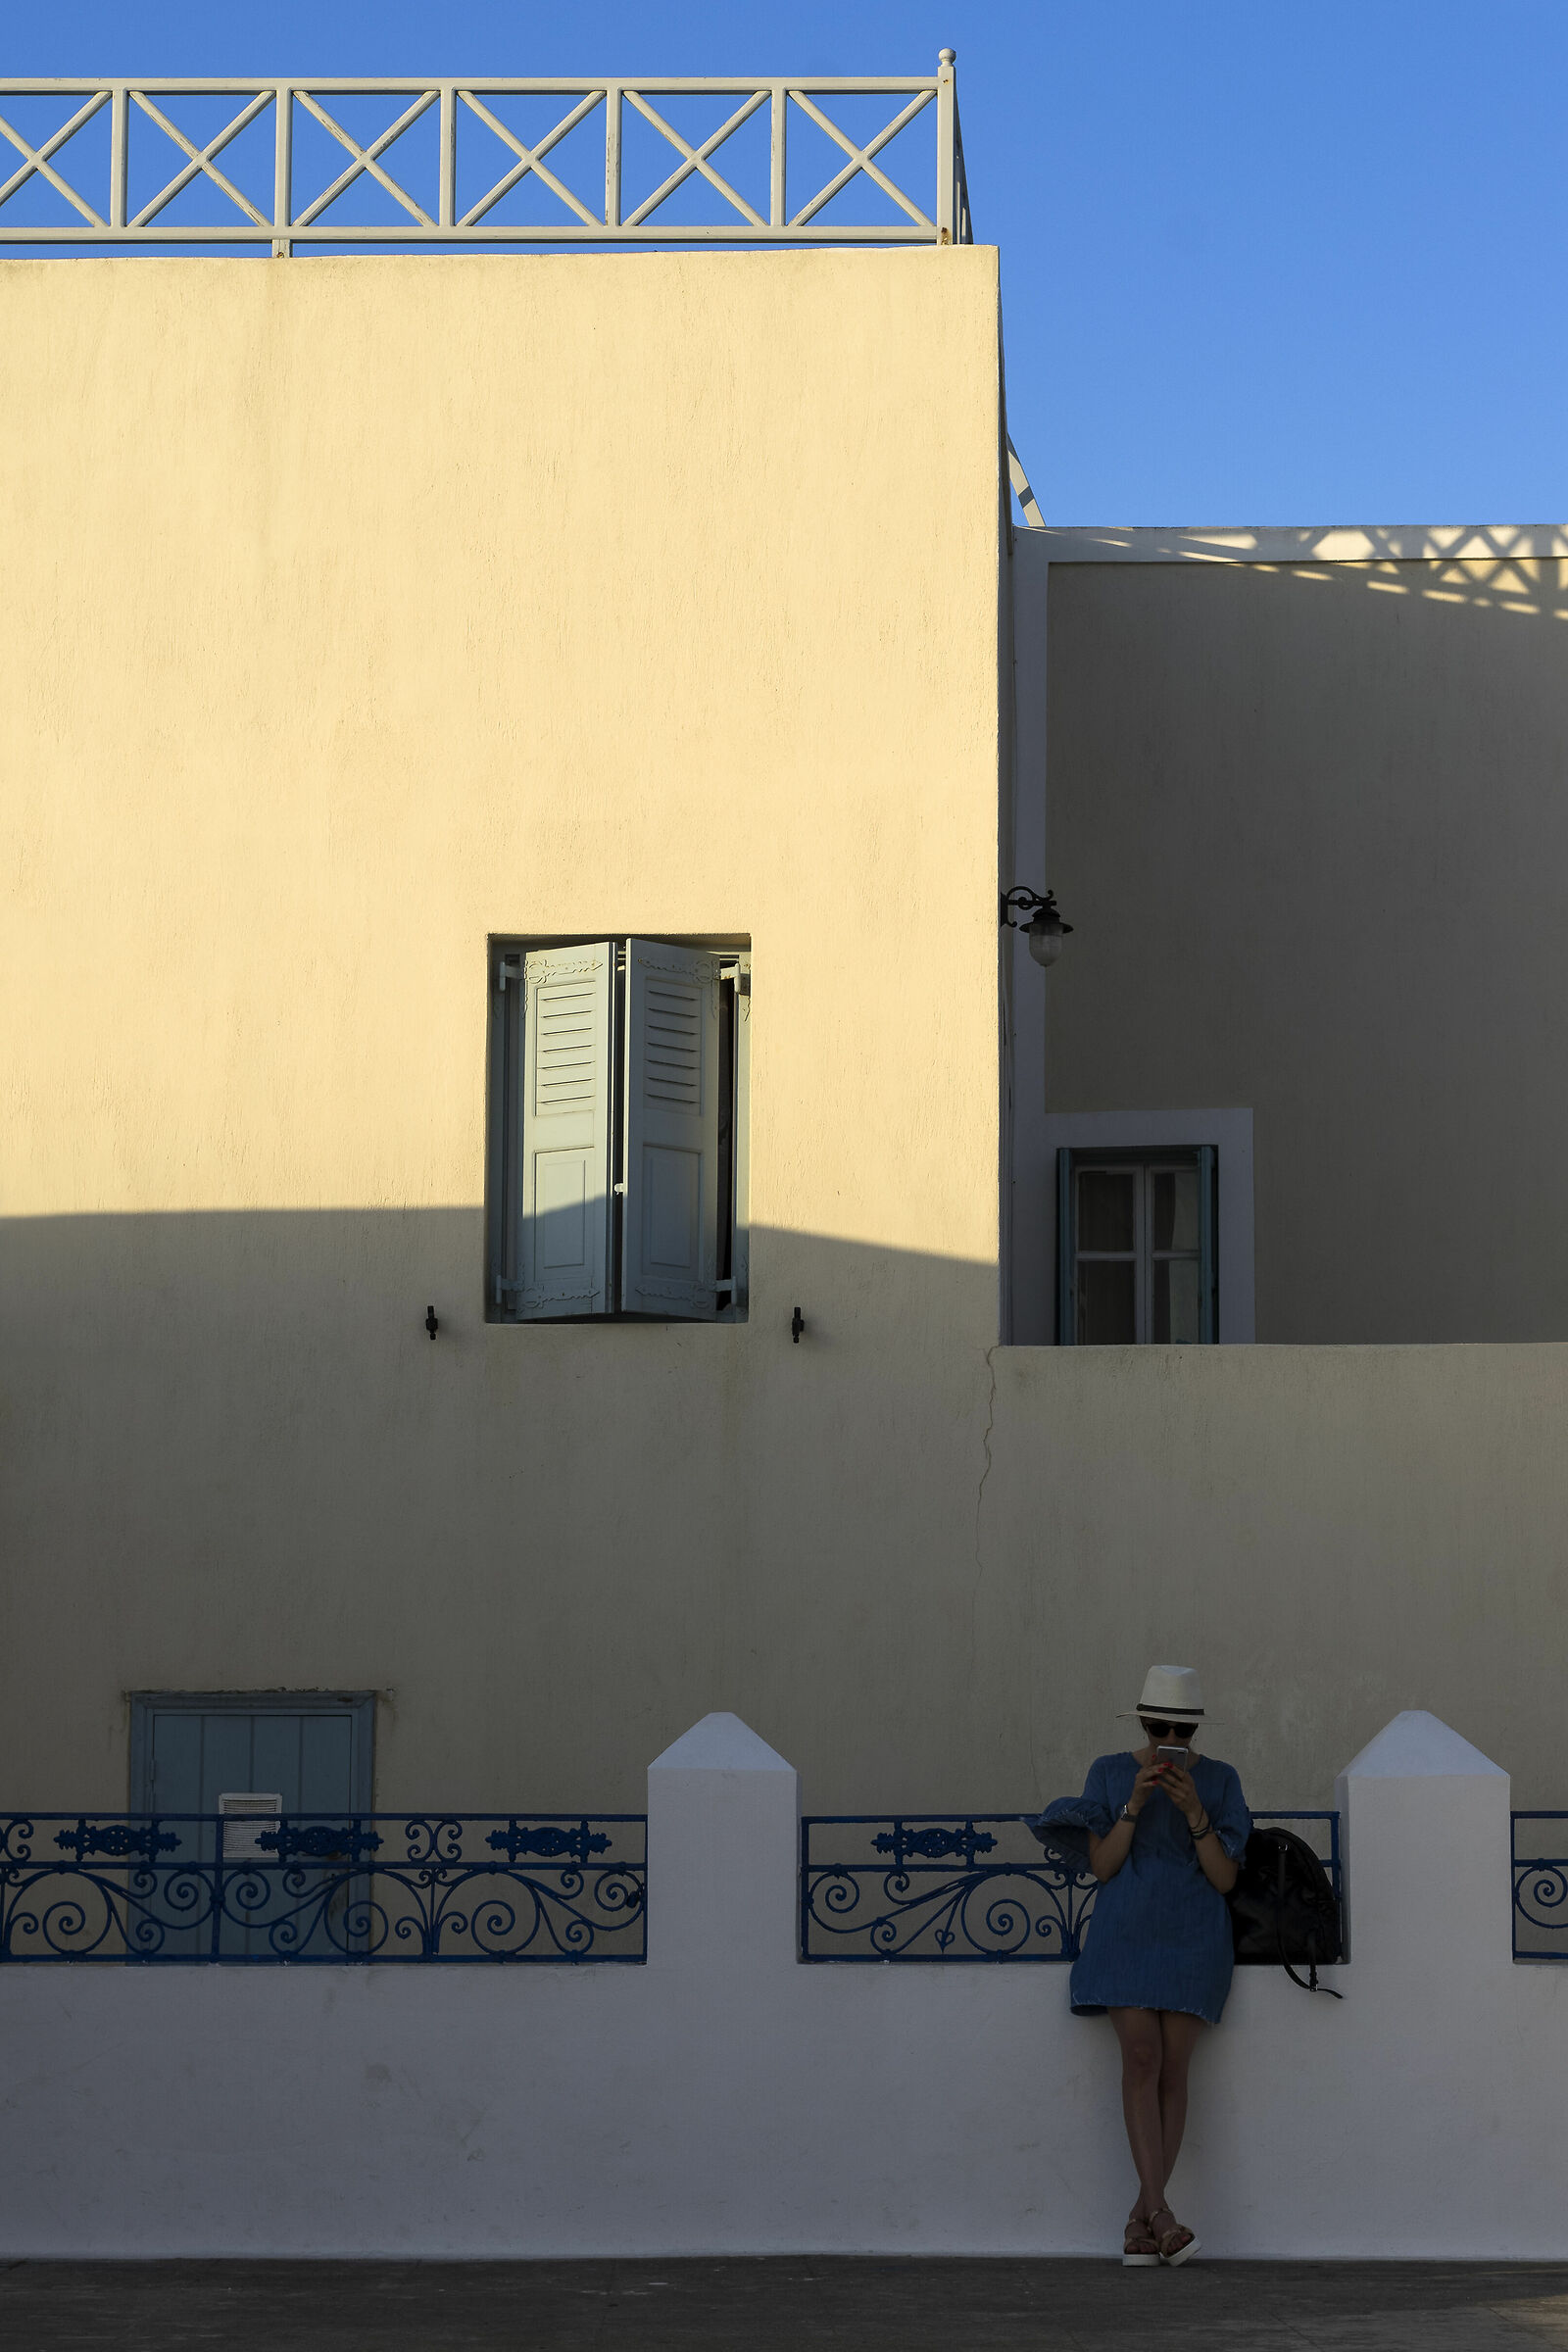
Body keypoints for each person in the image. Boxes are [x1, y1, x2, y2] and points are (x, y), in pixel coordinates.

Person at [1042, 1664, 1250, 2268]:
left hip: (1194, 1935)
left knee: (1172, 2071)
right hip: (1126, 1931)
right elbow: (1103, 1867)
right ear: (1144, 1722)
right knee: (1141, 2059)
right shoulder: (1109, 1773)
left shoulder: (1221, 1780)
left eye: (1180, 1729)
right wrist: (1134, 1803)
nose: (1171, 1739)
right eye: (1161, 1726)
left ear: (1193, 1730)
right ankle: (1161, 2213)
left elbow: (1225, 1877)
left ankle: (1141, 2221)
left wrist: (1194, 1814)